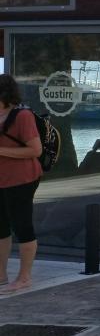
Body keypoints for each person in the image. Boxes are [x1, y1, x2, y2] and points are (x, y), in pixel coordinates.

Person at [0, 74, 43, 293]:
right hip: (2, 180)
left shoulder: (23, 116)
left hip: (21, 179)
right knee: (0, 227)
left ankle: (24, 277)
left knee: (22, 226)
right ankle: (1, 275)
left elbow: (35, 150)